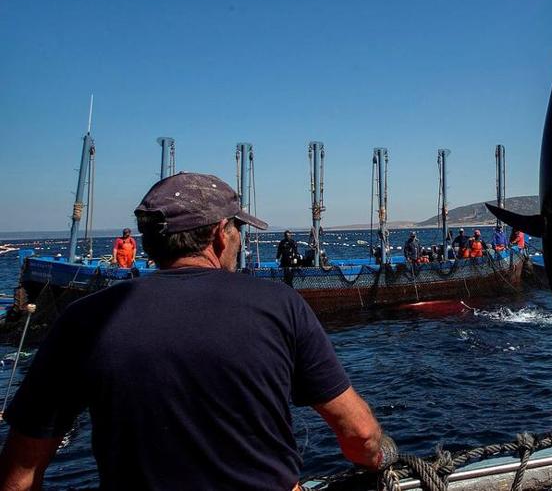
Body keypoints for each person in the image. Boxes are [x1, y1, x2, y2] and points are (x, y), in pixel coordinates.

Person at [0, 172, 392, 490]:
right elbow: (358, 434)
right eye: (239, 228)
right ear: (221, 233)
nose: (239, 239)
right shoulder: (278, 304)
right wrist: (381, 456)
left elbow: (19, 474)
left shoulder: (84, 319)